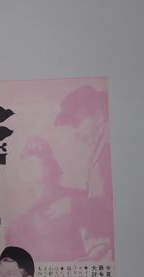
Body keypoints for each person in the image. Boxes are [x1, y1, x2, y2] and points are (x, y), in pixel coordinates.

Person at [54, 85, 113, 260]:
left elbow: (114, 203)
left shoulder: (109, 146)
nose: (76, 132)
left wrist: (73, 205)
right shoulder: (100, 148)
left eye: (77, 122)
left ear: (99, 116)